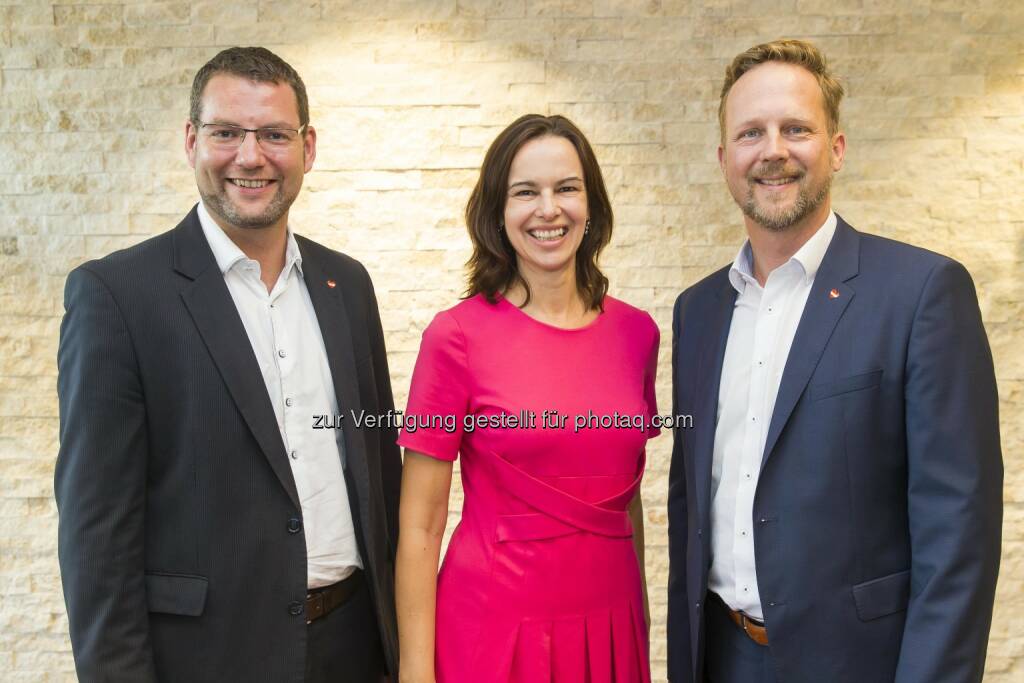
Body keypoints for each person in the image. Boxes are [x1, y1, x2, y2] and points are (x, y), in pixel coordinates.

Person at [55, 46, 400, 682]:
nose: (250, 156)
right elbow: (96, 538)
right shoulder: (117, 296)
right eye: (226, 133)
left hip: (352, 647)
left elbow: (381, 476)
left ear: (307, 148)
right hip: (207, 659)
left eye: (274, 134)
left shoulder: (347, 285)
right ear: (192, 141)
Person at [666, 38, 1002, 683]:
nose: (773, 150)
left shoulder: (921, 294)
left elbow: (958, 533)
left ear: (837, 148)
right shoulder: (698, 312)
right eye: (750, 133)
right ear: (724, 159)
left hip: (858, 663)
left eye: (796, 128)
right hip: (723, 655)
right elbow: (691, 507)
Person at [395, 114, 660, 683]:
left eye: (566, 188)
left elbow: (626, 499)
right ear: (497, 212)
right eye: (525, 192)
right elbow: (421, 525)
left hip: (612, 626)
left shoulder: (637, 333)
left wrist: (639, 626)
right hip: (494, 630)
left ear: (591, 205)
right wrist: (415, 672)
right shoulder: (455, 336)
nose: (548, 209)